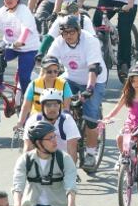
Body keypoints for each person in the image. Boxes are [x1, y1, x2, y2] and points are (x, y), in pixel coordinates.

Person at [44, 15, 107, 169]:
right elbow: (49, 65)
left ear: (79, 31)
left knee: (91, 116)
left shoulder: (90, 41)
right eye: (65, 33)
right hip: (71, 78)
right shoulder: (59, 43)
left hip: (94, 80)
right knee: (55, 106)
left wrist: (89, 89)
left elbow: (94, 69)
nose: (69, 36)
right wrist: (42, 87)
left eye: (72, 32)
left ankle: (91, 153)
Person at [103, 67, 138, 186]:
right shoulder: (128, 93)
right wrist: (108, 117)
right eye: (133, 81)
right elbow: (117, 107)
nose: (136, 84)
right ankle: (124, 158)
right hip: (131, 124)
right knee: (119, 138)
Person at [22, 88, 79, 163]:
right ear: (42, 106)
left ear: (60, 106)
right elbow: (28, 148)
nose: (52, 108)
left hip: (63, 161)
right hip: (40, 161)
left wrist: (71, 171)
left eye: (55, 104)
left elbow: (72, 149)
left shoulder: (67, 120)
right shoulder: (33, 120)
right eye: (48, 105)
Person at [16, 57, 73, 127]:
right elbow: (26, 106)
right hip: (37, 118)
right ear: (42, 70)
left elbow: (66, 108)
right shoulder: (34, 84)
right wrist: (20, 122)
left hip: (57, 118)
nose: (53, 74)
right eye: (49, 72)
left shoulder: (64, 84)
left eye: (56, 71)